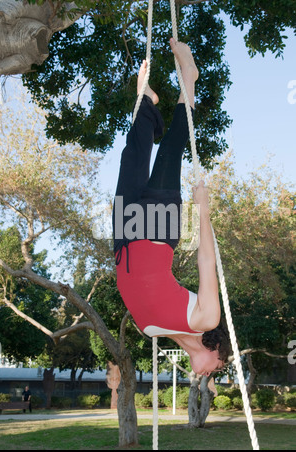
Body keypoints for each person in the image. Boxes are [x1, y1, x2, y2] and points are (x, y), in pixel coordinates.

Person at [112, 38, 230, 376]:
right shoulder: (206, 318)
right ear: (217, 350)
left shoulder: (170, 337)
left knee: (131, 156)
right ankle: (189, 77)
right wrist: (202, 211)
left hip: (123, 241)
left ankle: (148, 103)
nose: (212, 373)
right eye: (219, 369)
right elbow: (207, 260)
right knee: (171, 150)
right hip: (156, 231)